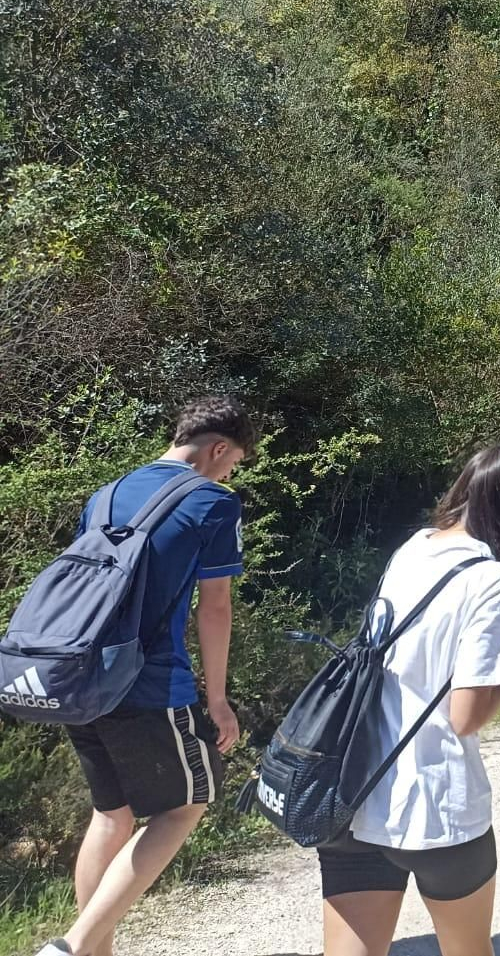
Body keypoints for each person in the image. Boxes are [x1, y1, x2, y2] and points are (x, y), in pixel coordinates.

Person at [316, 446, 500, 956]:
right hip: (435, 809)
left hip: (355, 791)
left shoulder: (413, 549)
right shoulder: (492, 579)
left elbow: (417, 660)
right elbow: (464, 715)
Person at [37, 397, 256, 956]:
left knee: (111, 815)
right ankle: (74, 945)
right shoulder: (212, 502)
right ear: (218, 448)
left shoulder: (104, 495)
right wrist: (219, 699)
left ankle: (91, 953)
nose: (231, 472)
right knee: (188, 802)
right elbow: (216, 608)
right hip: (152, 684)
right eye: (234, 462)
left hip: (80, 677)